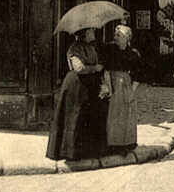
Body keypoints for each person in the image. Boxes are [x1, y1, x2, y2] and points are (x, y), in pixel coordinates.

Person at [46, 27, 106, 161]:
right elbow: (79, 68)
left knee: (88, 117)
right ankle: (70, 152)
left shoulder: (91, 47)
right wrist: (95, 68)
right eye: (90, 31)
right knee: (74, 116)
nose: (93, 33)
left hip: (89, 86)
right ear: (84, 34)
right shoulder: (74, 49)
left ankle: (87, 151)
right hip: (76, 86)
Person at [103, 24, 142, 154]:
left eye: (118, 35)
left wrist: (132, 90)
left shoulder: (133, 53)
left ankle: (127, 143)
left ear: (127, 38)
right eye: (115, 35)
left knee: (127, 114)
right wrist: (109, 87)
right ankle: (114, 144)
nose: (115, 37)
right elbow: (106, 70)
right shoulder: (110, 49)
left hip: (126, 84)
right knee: (114, 114)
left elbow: (138, 74)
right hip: (113, 83)